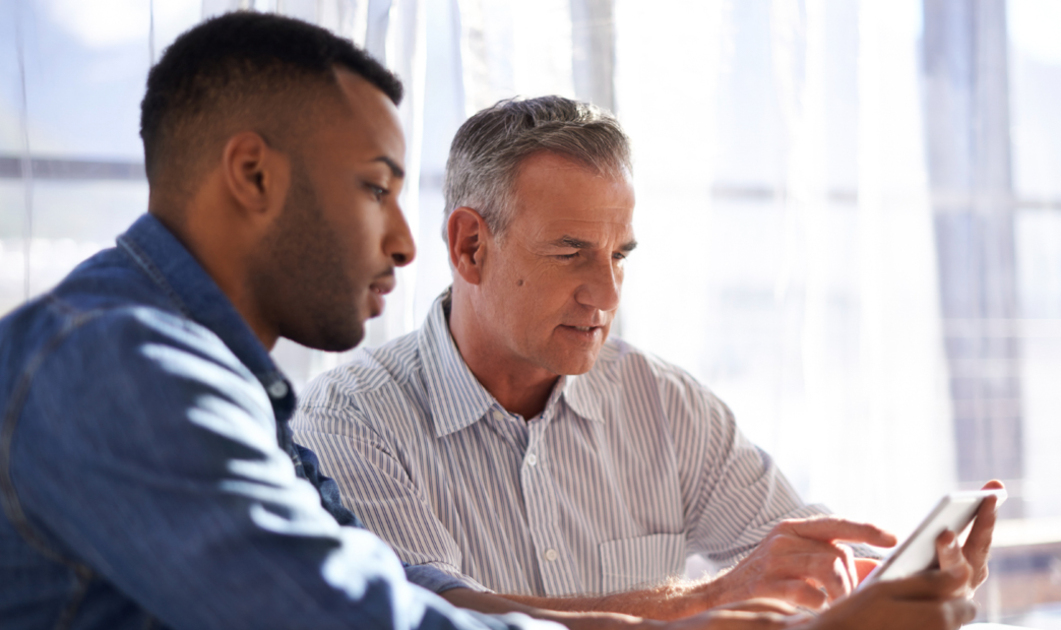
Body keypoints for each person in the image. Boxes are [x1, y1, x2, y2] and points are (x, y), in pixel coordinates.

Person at [0, 11, 982, 630]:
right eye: (375, 190)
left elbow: (430, 597)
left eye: (618, 255)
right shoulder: (123, 367)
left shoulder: (217, 379)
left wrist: (741, 604)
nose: (400, 242)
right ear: (253, 176)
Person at [290, 95, 1004, 621]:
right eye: (571, 252)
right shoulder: (351, 422)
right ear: (470, 246)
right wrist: (715, 597)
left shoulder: (663, 403)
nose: (605, 293)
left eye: (619, 256)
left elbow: (799, 569)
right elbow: (446, 618)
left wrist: (908, 588)